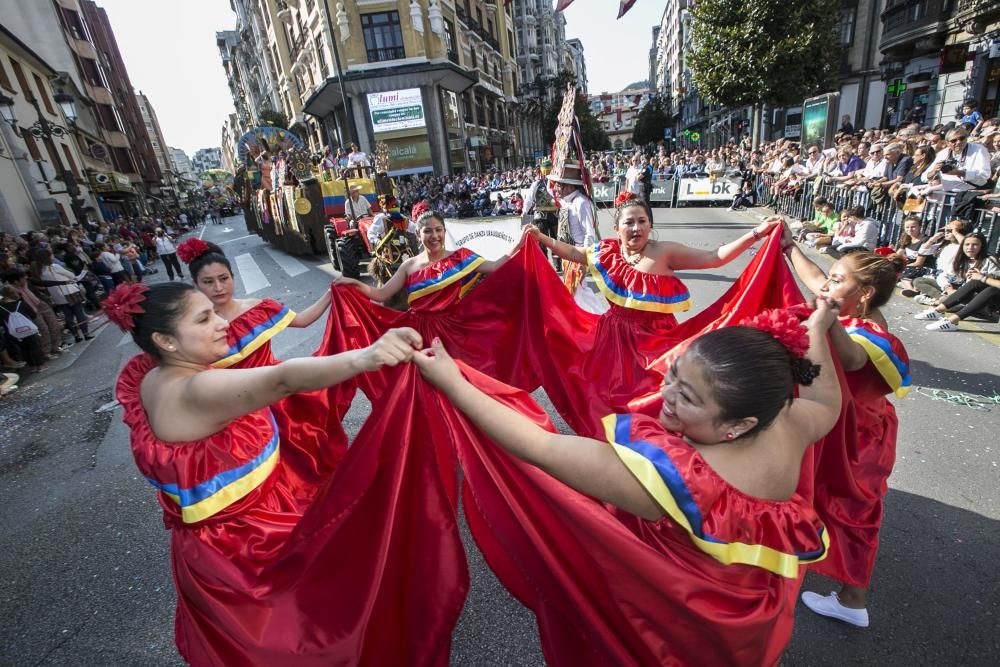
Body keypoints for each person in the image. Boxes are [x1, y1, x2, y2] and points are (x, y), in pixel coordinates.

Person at [412, 300, 842, 664]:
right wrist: (819, 328)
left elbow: (539, 446)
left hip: (679, 629)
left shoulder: (679, 480)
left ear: (738, 424)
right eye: (674, 374)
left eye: (688, 397)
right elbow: (826, 398)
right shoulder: (790, 423)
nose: (667, 394)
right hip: (755, 622)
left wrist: (452, 382)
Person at [109, 280, 454, 664]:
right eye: (204, 319)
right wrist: (366, 357)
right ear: (166, 341)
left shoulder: (145, 377)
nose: (222, 323)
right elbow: (283, 378)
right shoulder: (197, 391)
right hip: (245, 548)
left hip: (207, 549)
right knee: (326, 626)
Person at [781, 228, 911, 627]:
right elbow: (819, 282)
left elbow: (853, 359)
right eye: (832, 277)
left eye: (838, 280)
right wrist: (790, 248)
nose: (827, 284)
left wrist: (825, 320)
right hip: (842, 429)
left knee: (854, 512)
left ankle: (853, 601)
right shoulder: (853, 306)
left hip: (861, 438)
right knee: (819, 498)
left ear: (866, 293)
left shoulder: (871, 333)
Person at [177, 239, 345, 483]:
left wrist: (332, 293)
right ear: (195, 285)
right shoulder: (192, 328)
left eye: (224, 278)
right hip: (232, 415)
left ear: (233, 276)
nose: (218, 287)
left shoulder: (258, 308)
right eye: (208, 281)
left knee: (302, 471)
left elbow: (303, 320)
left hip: (278, 402)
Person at [914, 233, 999, 331]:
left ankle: (952, 319)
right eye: (967, 244)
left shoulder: (989, 260)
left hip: (988, 300)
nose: (970, 247)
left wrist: (983, 277)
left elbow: (994, 283)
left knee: (989, 288)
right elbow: (945, 275)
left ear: (982, 247)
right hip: (962, 291)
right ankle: (938, 310)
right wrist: (948, 287)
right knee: (919, 280)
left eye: (975, 245)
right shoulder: (962, 259)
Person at [31, 248, 92, 343]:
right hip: (69, 291)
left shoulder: (40, 270)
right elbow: (71, 275)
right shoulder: (54, 266)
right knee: (79, 312)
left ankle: (76, 335)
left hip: (57, 296)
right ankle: (86, 333)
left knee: (68, 316)